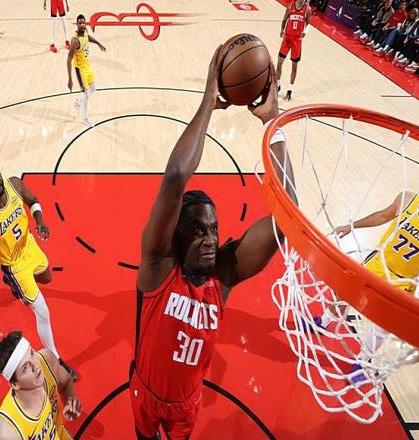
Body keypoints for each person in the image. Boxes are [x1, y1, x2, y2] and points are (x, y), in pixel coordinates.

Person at [130, 47, 296, 440]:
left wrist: (272, 121)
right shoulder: (158, 268)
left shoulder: (223, 273)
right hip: (145, 393)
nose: (210, 239)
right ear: (176, 235)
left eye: (214, 229)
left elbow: (288, 214)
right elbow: (176, 176)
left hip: (187, 403)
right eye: (197, 230)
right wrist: (208, 100)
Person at [0, 157, 77, 380]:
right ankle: (56, 361)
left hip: (29, 245)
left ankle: (16, 287)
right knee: (43, 312)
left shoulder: (15, 185)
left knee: (47, 277)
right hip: (15, 265)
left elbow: (34, 202)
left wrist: (40, 222)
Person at [316, 192, 419, 381]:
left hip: (404, 282)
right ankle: (324, 321)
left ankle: (363, 362)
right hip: (379, 263)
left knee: (381, 327)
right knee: (344, 291)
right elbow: (383, 215)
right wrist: (352, 226)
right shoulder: (408, 199)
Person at [0, 331, 82, 439]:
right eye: (25, 368)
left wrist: (70, 402)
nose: (35, 365)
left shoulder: (46, 360)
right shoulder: (8, 432)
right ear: (15, 384)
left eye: (31, 353)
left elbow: (66, 382)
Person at [67, 14, 106, 127]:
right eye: (80, 23)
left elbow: (88, 37)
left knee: (93, 89)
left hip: (87, 67)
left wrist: (98, 43)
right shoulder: (75, 41)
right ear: (77, 24)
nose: (82, 25)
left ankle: (79, 102)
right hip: (80, 70)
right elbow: (69, 58)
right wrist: (70, 79)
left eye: (84, 22)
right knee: (87, 95)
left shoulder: (85, 32)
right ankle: (85, 118)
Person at [276, 0, 311, 101]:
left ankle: (289, 90)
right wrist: (282, 30)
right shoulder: (290, 6)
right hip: (287, 39)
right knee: (279, 63)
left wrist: (305, 31)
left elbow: (308, 24)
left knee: (294, 67)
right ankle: (277, 85)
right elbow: (284, 20)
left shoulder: (307, 9)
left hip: (297, 41)